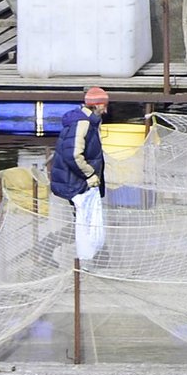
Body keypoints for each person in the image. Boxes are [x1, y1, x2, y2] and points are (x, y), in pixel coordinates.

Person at [47, 86, 109, 260]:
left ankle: (96, 258)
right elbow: (73, 154)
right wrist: (90, 175)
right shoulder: (83, 123)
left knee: (85, 221)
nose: (106, 110)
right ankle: (88, 259)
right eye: (104, 105)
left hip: (76, 181)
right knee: (85, 223)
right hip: (76, 182)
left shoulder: (88, 122)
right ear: (95, 105)